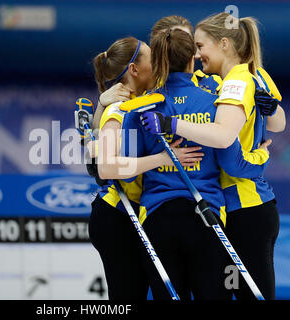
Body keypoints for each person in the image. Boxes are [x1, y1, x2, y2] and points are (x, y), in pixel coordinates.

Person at [142, 13, 285, 300]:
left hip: (244, 203)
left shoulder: (234, 83)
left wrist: (259, 156)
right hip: (233, 206)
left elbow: (224, 139)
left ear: (223, 44)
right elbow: (278, 124)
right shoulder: (243, 75)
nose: (195, 53)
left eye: (199, 45)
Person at [87, 36, 204, 300]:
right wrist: (165, 158)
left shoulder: (143, 100)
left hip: (137, 212)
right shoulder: (118, 107)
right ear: (134, 70)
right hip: (116, 216)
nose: (161, 64)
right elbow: (106, 167)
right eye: (153, 59)